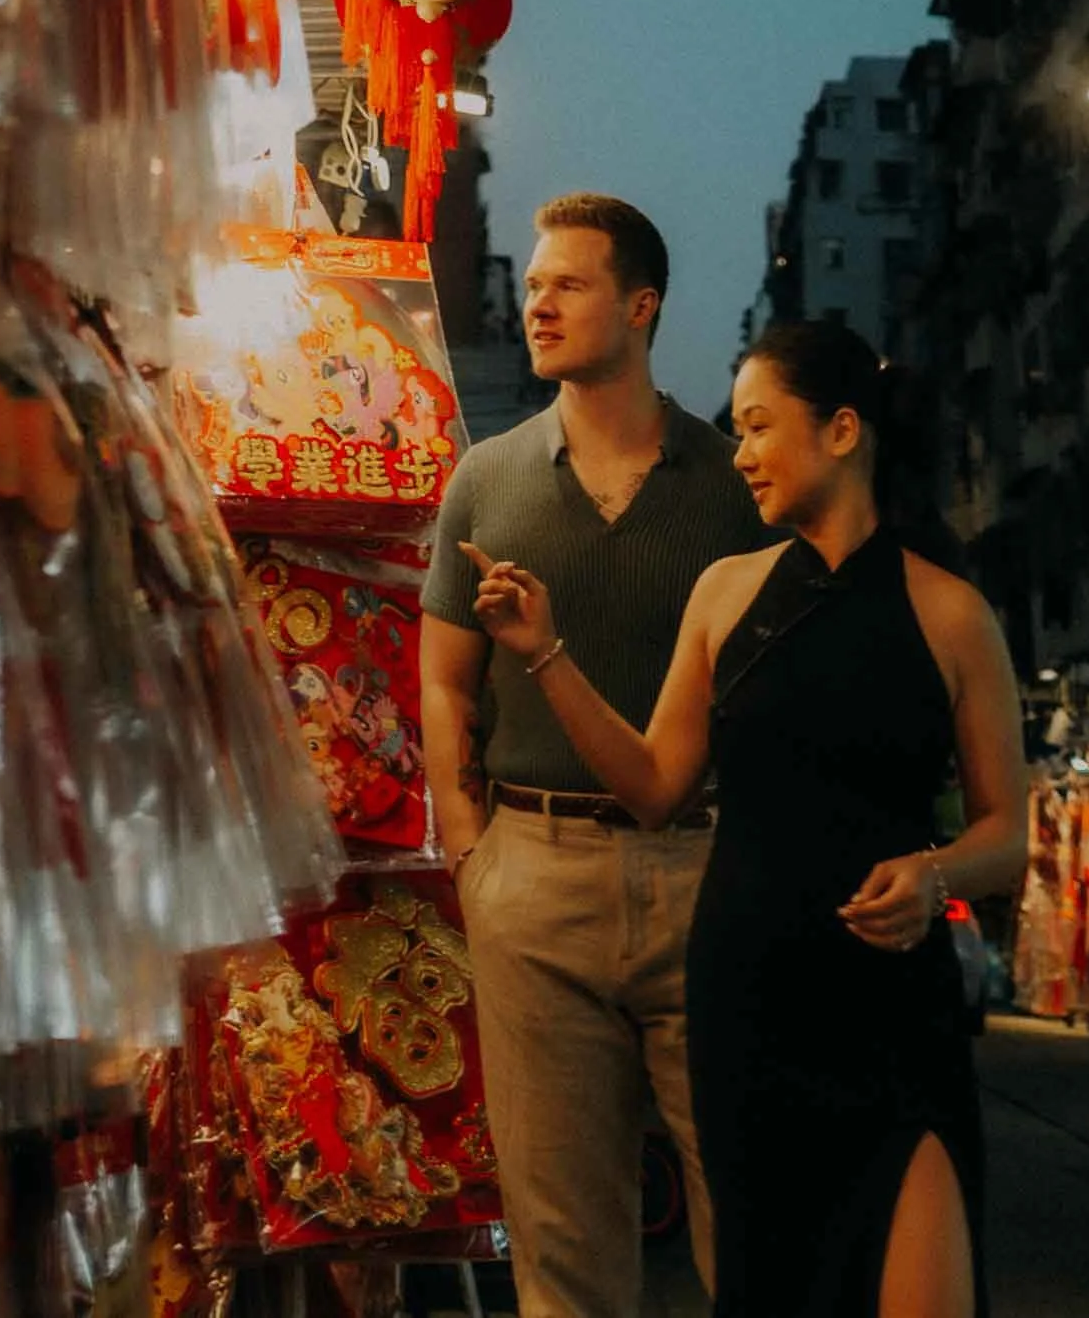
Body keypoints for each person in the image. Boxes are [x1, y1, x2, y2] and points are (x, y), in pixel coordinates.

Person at [465, 315, 1030, 1318]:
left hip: (892, 1009)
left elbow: (1006, 835)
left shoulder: (950, 612)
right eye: (737, 428)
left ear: (843, 430)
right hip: (748, 993)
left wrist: (935, 872)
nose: (744, 454)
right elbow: (650, 785)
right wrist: (542, 651)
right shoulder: (725, 593)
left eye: (761, 426)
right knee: (772, 1288)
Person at [420, 194, 763, 1313]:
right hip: (534, 867)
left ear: (641, 305)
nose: (537, 302)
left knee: (752, 1207)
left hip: (707, 872)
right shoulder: (487, 478)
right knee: (560, 1235)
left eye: (566, 284)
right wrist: (470, 851)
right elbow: (442, 679)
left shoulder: (731, 484)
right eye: (531, 287)